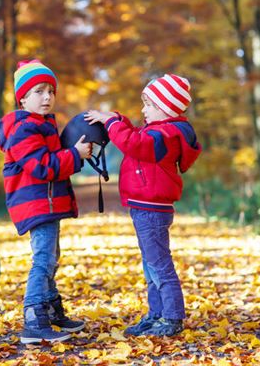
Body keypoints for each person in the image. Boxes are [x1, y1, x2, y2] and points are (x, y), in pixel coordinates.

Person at [85, 73, 202, 337]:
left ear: (165, 108)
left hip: (151, 208)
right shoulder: (158, 132)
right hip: (144, 206)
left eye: (148, 104)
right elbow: (136, 134)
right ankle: (157, 313)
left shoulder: (166, 136)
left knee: (159, 264)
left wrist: (113, 122)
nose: (143, 109)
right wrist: (113, 118)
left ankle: (172, 317)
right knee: (151, 265)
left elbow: (133, 143)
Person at [0, 59, 92, 344]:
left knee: (51, 258)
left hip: (47, 203)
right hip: (36, 203)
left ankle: (50, 310)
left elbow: (53, 161)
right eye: (38, 91)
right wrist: (75, 154)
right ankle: (34, 320)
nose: (47, 97)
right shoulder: (23, 128)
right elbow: (41, 166)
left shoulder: (44, 123)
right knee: (43, 261)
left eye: (51, 91)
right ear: (22, 97)